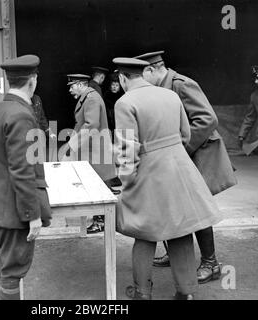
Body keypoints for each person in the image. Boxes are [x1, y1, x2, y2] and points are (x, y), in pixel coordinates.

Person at [112, 57, 221, 300]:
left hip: (148, 172)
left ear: (122, 78)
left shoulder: (124, 102)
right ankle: (186, 293)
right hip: (180, 169)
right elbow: (186, 134)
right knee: (180, 230)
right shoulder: (170, 95)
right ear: (143, 73)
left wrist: (127, 182)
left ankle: (142, 293)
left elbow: (127, 148)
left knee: (145, 232)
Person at [135, 50, 236, 284]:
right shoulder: (161, 88)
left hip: (196, 154)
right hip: (178, 157)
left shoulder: (181, 84)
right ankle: (175, 254)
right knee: (173, 204)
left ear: (152, 70)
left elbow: (207, 119)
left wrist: (181, 148)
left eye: (142, 75)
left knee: (196, 208)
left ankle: (211, 264)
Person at [0, 55, 52, 300]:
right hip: (15, 211)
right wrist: (33, 216)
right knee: (12, 271)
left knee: (5, 268)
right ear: (32, 81)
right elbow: (23, 171)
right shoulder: (22, 115)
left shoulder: (1, 110)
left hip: (2, 206)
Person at [60, 74, 119, 233]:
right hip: (92, 147)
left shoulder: (91, 99)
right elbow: (81, 125)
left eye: (72, 86)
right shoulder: (87, 97)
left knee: (100, 185)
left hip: (96, 148)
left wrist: (72, 145)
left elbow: (91, 125)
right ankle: (103, 220)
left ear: (80, 84)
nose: (70, 90)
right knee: (99, 183)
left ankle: (103, 222)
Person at [238, 66, 258, 148]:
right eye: (255, 79)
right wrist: (242, 135)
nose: (256, 81)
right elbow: (250, 117)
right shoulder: (254, 96)